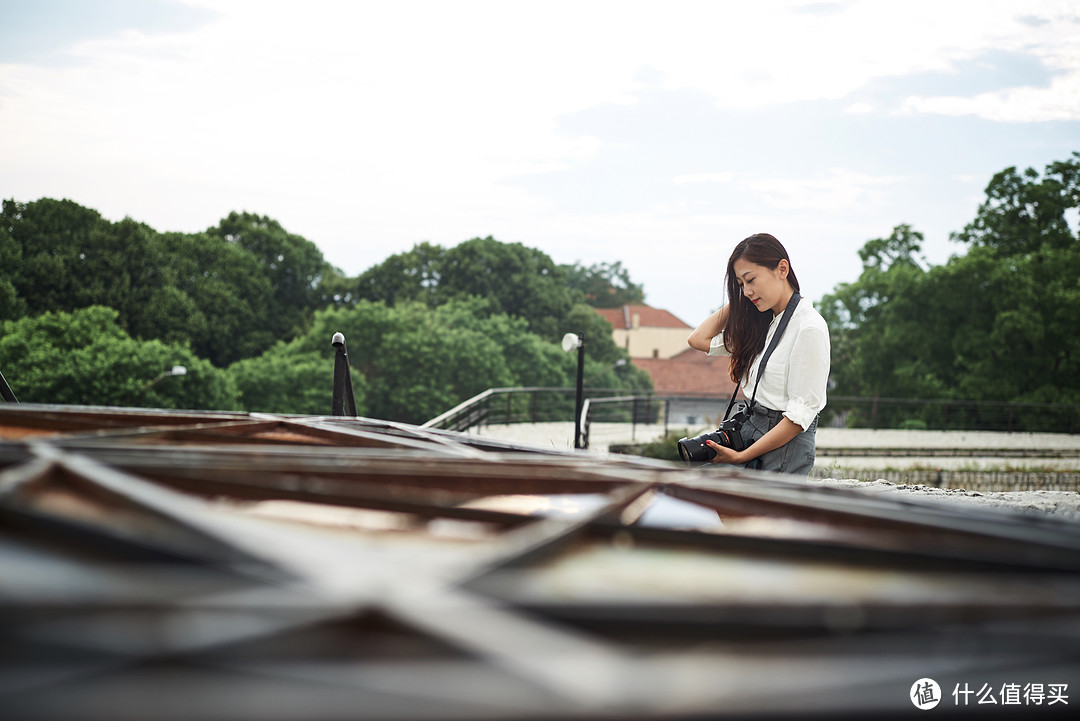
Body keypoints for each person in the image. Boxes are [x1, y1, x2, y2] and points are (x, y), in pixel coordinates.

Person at [686, 233, 830, 475]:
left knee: (750, 511)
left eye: (751, 280)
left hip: (781, 447)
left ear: (782, 269)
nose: (747, 290)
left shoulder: (808, 328)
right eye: (741, 284)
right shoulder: (764, 323)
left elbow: (798, 418)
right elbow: (698, 339)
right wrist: (740, 300)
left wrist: (742, 456)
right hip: (751, 430)